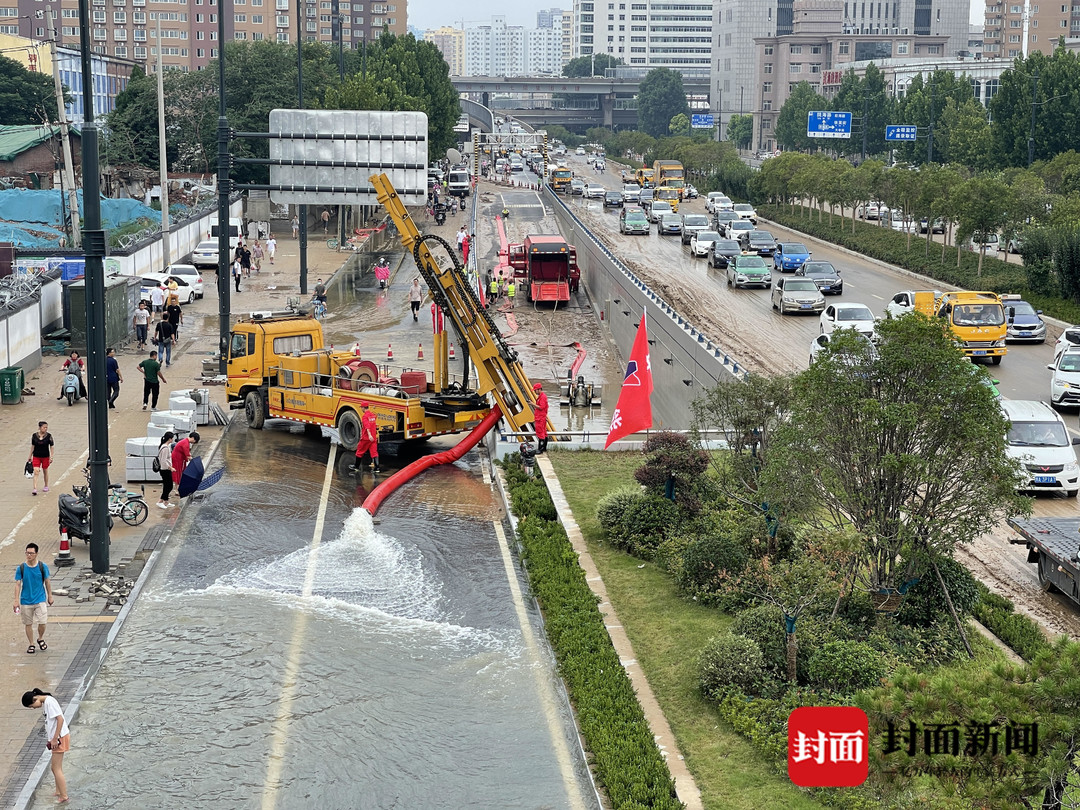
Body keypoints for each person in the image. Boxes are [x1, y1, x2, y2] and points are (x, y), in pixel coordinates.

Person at [21, 688, 69, 803]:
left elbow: (60, 719)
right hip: (58, 738)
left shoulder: (49, 702)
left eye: (32, 706)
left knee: (56, 768)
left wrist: (55, 738)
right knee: (56, 768)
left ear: (35, 699)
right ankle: (59, 791)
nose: (33, 708)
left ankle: (64, 796)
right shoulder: (47, 702)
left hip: (59, 738)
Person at [14, 543, 53, 653]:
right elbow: (17, 584)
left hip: (40, 598)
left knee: (42, 621)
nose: (29, 555)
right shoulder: (21, 568)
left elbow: (47, 582)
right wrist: (16, 600)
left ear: (36, 554)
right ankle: (31, 644)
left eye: (31, 553)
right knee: (28, 623)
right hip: (26, 600)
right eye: (27, 553)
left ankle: (40, 638)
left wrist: (50, 595)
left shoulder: (42, 567)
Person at [349, 402, 380, 473]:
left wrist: (369, 435)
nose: (361, 409)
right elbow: (374, 419)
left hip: (366, 438)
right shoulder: (372, 415)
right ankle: (377, 468)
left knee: (359, 451)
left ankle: (356, 466)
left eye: (361, 407)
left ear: (363, 407)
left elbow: (367, 426)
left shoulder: (365, 417)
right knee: (374, 452)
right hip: (374, 438)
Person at [29, 421, 53, 494]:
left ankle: (46, 485)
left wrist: (51, 457)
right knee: (36, 471)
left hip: (45, 456)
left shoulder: (49, 436)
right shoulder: (34, 436)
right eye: (44, 427)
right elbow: (33, 446)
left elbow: (51, 446)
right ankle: (35, 488)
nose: (45, 429)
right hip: (36, 456)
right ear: (40, 428)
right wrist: (30, 456)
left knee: (45, 470)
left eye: (46, 427)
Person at [156, 431, 175, 509]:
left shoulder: (165, 446)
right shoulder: (165, 448)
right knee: (169, 486)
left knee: (167, 485)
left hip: (165, 469)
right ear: (170, 439)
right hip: (165, 470)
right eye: (172, 438)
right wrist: (170, 468)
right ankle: (160, 501)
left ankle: (166, 501)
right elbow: (163, 461)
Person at [533, 382, 549, 453]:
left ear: (539, 389)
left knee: (540, 433)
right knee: (544, 432)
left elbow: (541, 407)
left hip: (540, 418)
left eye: (535, 390)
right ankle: (544, 448)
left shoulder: (542, 397)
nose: (535, 392)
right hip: (541, 417)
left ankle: (540, 449)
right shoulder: (542, 396)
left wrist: (532, 404)